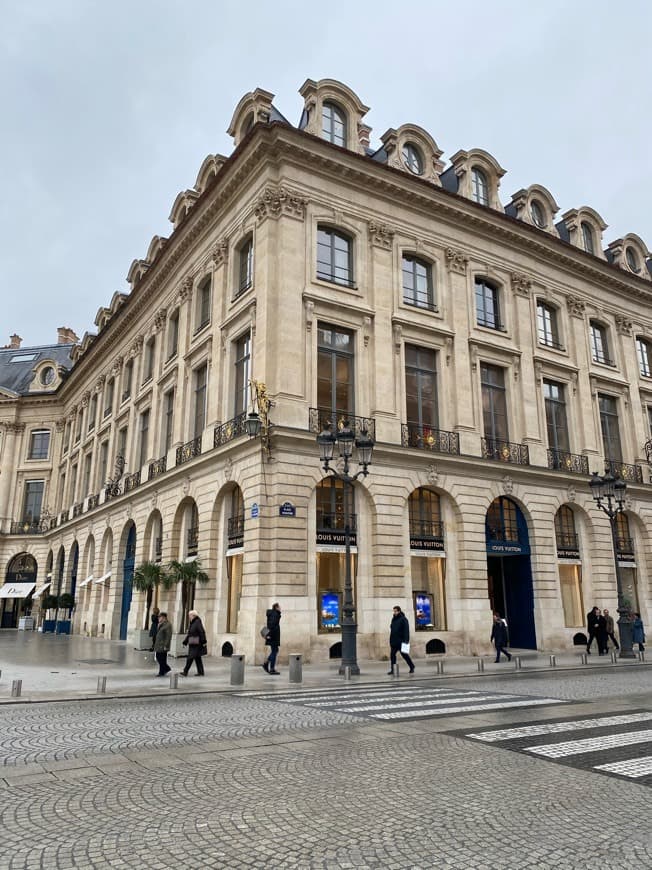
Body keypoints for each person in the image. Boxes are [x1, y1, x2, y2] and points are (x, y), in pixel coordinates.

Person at [388, 605, 415, 674]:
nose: (394, 613)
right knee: (392, 655)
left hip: (401, 641)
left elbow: (406, 631)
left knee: (405, 655)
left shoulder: (404, 619)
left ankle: (411, 666)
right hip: (394, 641)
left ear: (399, 611)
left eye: (396, 611)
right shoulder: (393, 619)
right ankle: (393, 669)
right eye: (394, 611)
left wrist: (406, 641)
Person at [180, 610, 207, 676]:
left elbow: (202, 632)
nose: (189, 617)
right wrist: (185, 642)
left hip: (196, 642)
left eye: (190, 615)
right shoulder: (193, 623)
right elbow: (190, 634)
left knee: (190, 657)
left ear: (193, 616)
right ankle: (201, 672)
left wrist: (204, 641)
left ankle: (185, 671)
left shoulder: (197, 622)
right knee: (197, 658)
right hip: (193, 641)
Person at [262, 602, 281, 675]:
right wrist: (270, 635)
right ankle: (267, 664)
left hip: (273, 636)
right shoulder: (275, 615)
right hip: (273, 636)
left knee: (275, 650)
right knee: (275, 651)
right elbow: (272, 626)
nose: (280, 608)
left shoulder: (274, 614)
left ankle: (270, 667)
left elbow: (271, 625)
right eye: (279, 607)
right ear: (276, 607)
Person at [153, 611, 172, 676]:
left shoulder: (168, 625)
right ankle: (163, 670)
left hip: (163, 645)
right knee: (160, 658)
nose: (158, 618)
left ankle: (164, 670)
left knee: (161, 658)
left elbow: (168, 636)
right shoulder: (161, 624)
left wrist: (166, 645)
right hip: (159, 644)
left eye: (159, 617)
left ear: (164, 618)